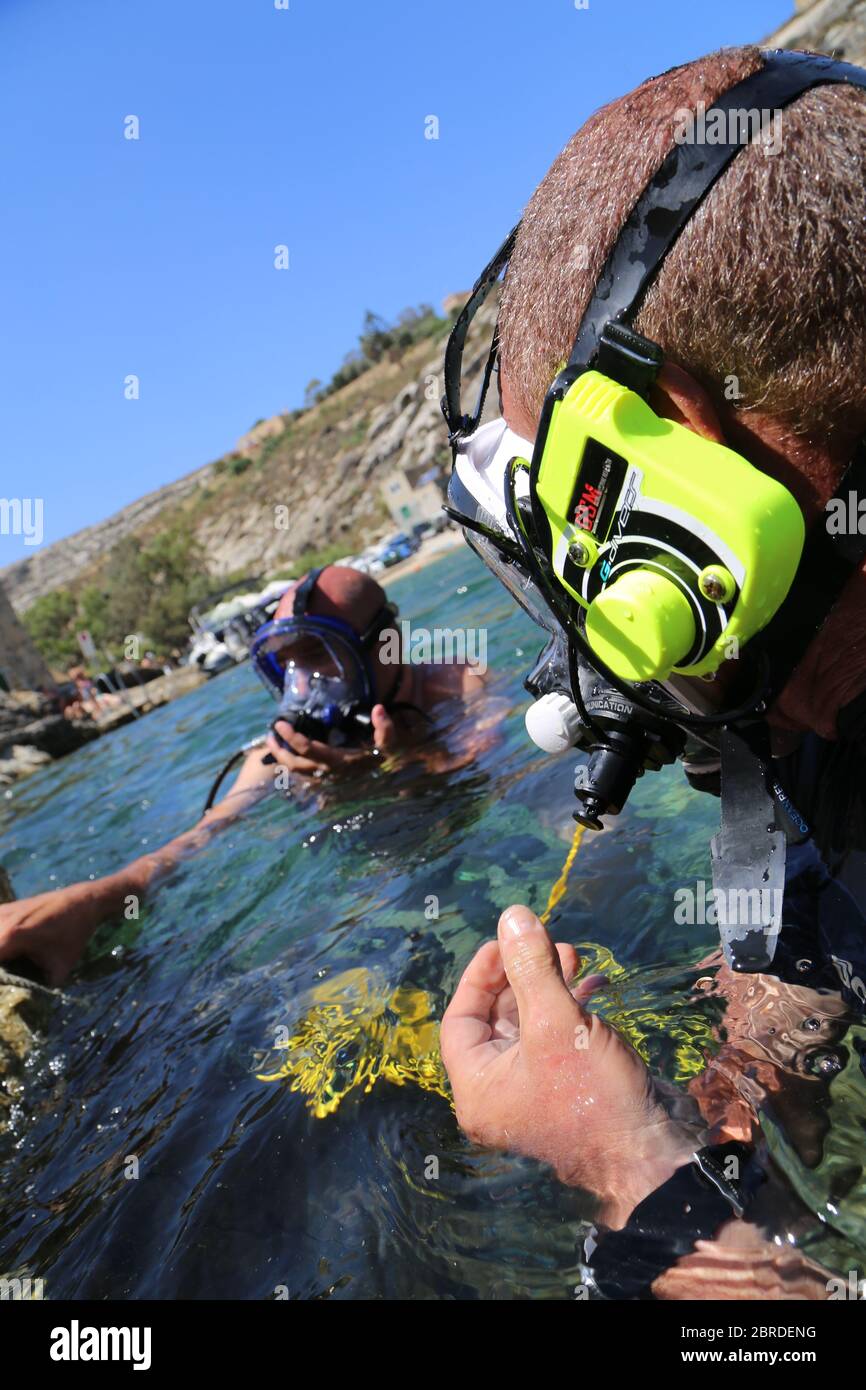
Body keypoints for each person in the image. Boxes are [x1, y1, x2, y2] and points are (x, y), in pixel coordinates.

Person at [440, 45, 866, 1298]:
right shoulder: (816, 729)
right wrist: (731, 1106)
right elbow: (796, 938)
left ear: (679, 446)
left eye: (589, 536)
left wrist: (637, 1184)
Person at [0, 564, 490, 986]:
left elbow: (495, 771)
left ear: (385, 643)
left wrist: (402, 760)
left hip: (465, 857)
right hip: (366, 892)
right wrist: (96, 898)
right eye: (288, 661)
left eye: (316, 652)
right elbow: (198, 840)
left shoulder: (455, 683)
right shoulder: (276, 758)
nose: (302, 680)